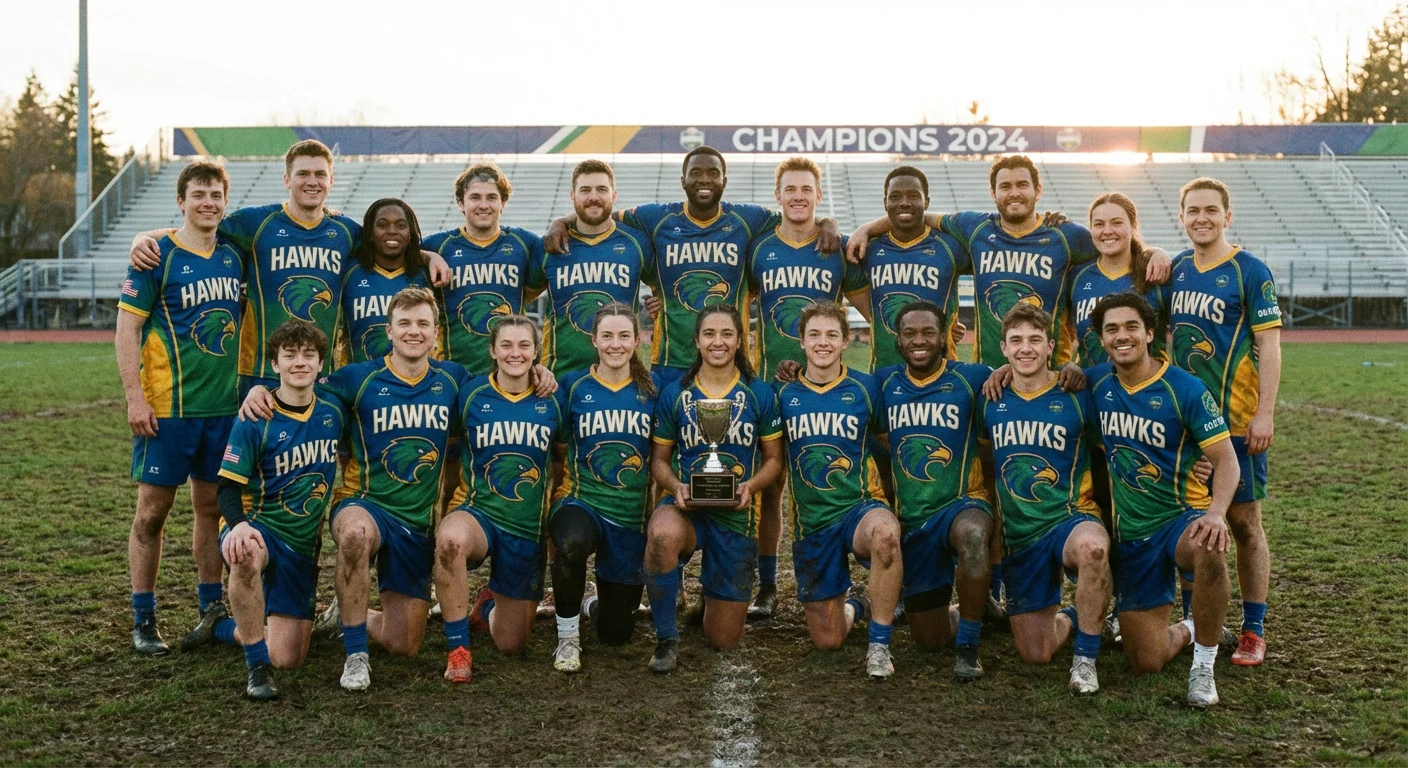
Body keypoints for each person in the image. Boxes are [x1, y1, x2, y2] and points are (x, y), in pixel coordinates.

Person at [546, 147, 835, 619]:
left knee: (768, 479)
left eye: (713, 172)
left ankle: (762, 582)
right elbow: (598, 213)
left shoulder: (749, 220)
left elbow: (794, 223)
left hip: (734, 368)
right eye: (695, 172)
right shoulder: (657, 219)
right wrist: (562, 220)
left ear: (725, 179)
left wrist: (829, 223)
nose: (704, 179)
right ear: (682, 178)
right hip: (667, 366)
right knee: (663, 469)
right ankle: (670, 579)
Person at [241, 287, 467, 691]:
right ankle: (355, 655)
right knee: (355, 535)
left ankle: (350, 613)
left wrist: (540, 373)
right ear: (389, 331)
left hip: (415, 523)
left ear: (436, 334)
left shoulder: (453, 379)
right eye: (404, 324)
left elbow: (502, 388)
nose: (413, 332)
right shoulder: (358, 378)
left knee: (404, 645)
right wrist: (260, 389)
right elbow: (298, 384)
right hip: (362, 503)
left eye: (422, 324)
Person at [130, 140, 451, 396]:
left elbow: (388, 244)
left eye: (319, 174)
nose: (312, 181)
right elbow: (199, 226)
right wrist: (143, 236)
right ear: (287, 178)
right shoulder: (256, 222)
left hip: (318, 373)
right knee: (252, 472)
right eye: (303, 174)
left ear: (330, 180)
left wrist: (428, 256)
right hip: (260, 373)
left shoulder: (344, 231)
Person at [116, 160, 244, 655]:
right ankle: (143, 617)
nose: (208, 202)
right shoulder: (156, 256)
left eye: (216, 194)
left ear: (224, 201)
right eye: (199, 194)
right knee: (152, 512)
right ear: (181, 201)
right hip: (166, 410)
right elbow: (127, 330)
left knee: (210, 509)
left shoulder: (234, 256)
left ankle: (210, 608)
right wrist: (134, 396)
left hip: (222, 412)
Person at [1087, 291, 1239, 708]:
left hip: (1180, 518)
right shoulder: (1096, 382)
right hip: (1132, 534)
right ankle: (1192, 627)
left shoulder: (1185, 389)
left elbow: (1226, 462)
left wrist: (1216, 513)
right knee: (1145, 661)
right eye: (1112, 329)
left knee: (1209, 545)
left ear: (1150, 333)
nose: (1123, 336)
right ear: (1102, 339)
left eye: (1132, 327)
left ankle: (1203, 667)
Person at [190, 320, 343, 699]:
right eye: (289, 355)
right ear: (274, 364)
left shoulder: (333, 414)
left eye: (308, 355)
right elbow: (226, 488)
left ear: (321, 363)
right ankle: (256, 670)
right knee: (245, 555)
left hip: (301, 542)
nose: (299, 363)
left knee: (288, 656)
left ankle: (224, 627)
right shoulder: (256, 415)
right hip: (257, 524)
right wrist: (239, 526)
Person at [747, 157, 870, 622]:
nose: (798, 196)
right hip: (772, 384)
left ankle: (850, 576)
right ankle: (765, 585)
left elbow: (870, 309)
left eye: (807, 189)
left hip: (825, 386)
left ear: (819, 196)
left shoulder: (834, 249)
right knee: (772, 488)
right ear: (777, 196)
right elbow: (737, 295)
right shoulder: (760, 249)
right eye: (790, 189)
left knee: (828, 477)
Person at [1168, 177, 1282, 667]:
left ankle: (1254, 629)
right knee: (1191, 523)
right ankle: (1198, 620)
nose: (1202, 218)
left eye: (1211, 210)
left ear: (1227, 216)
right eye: (1193, 211)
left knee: (1243, 522)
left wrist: (1265, 413)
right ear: (1182, 216)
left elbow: (1271, 347)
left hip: (1235, 422)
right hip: (1186, 424)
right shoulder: (1173, 269)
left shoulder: (1250, 271)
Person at [644, 305, 784, 672]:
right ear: (697, 341)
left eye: (726, 334)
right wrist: (676, 486)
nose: (718, 342)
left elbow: (774, 461)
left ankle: (711, 597)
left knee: (724, 639)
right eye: (709, 334)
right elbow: (658, 460)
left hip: (735, 515)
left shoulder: (759, 394)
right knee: (661, 535)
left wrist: (750, 486)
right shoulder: (677, 392)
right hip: (687, 509)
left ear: (740, 340)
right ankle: (665, 639)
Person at [981, 303, 1110, 694]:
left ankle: (1086, 659)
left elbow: (1122, 442)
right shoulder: (990, 396)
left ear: (1051, 345)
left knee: (1093, 549)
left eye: (1035, 340)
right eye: (1016, 341)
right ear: (1003, 349)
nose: (1026, 349)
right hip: (1022, 535)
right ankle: (1074, 615)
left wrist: (1198, 465)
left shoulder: (1077, 392)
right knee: (1035, 653)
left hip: (1071, 517)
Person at [434, 315, 565, 683]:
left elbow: (562, 460)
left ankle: (489, 602)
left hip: (525, 527)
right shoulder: (471, 394)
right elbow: (449, 451)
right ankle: (458, 649)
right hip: (479, 511)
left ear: (537, 352)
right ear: (492, 350)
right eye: (506, 345)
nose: (515, 353)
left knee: (512, 643)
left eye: (524, 345)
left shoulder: (552, 400)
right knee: (450, 541)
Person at [776, 302, 902, 678]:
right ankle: (860, 605)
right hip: (811, 521)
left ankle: (879, 645)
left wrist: (893, 505)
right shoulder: (782, 394)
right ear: (801, 341)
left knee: (886, 535)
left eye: (832, 335)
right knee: (827, 639)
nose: (823, 342)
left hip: (859, 507)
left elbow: (887, 446)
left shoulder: (865, 387)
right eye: (814, 334)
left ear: (847, 340)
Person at [873, 301, 994, 681]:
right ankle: (974, 607)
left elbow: (1022, 372)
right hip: (915, 520)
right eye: (910, 333)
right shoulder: (881, 383)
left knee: (974, 536)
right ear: (898, 340)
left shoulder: (971, 378)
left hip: (963, 503)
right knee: (929, 640)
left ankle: (969, 646)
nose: (919, 341)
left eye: (929, 333)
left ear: (944, 338)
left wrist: (1070, 371)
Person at [548, 303, 658, 673]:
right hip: (583, 502)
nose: (616, 344)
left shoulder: (654, 390)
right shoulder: (573, 386)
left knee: (616, 633)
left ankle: (591, 604)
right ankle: (567, 637)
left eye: (624, 335)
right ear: (593, 340)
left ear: (638, 338)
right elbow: (560, 448)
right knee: (572, 543)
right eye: (607, 336)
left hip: (629, 518)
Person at [528, 160, 654, 375]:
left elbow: (661, 292)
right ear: (572, 196)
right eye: (585, 190)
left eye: (601, 189)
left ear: (614, 195)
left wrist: (658, 303)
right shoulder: (549, 245)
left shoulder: (637, 243)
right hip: (559, 377)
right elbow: (520, 298)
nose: (593, 197)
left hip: (620, 377)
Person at [853, 166, 970, 370]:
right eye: (895, 196)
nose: (904, 203)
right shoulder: (867, 249)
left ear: (926, 202)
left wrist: (949, 322)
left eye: (914, 196)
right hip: (884, 375)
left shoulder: (950, 247)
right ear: (885, 202)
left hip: (942, 374)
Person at [338, 199, 432, 364]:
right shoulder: (349, 273)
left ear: (411, 234)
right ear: (370, 234)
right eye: (382, 225)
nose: (392, 231)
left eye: (401, 225)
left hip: (413, 379)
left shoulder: (427, 276)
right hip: (363, 380)